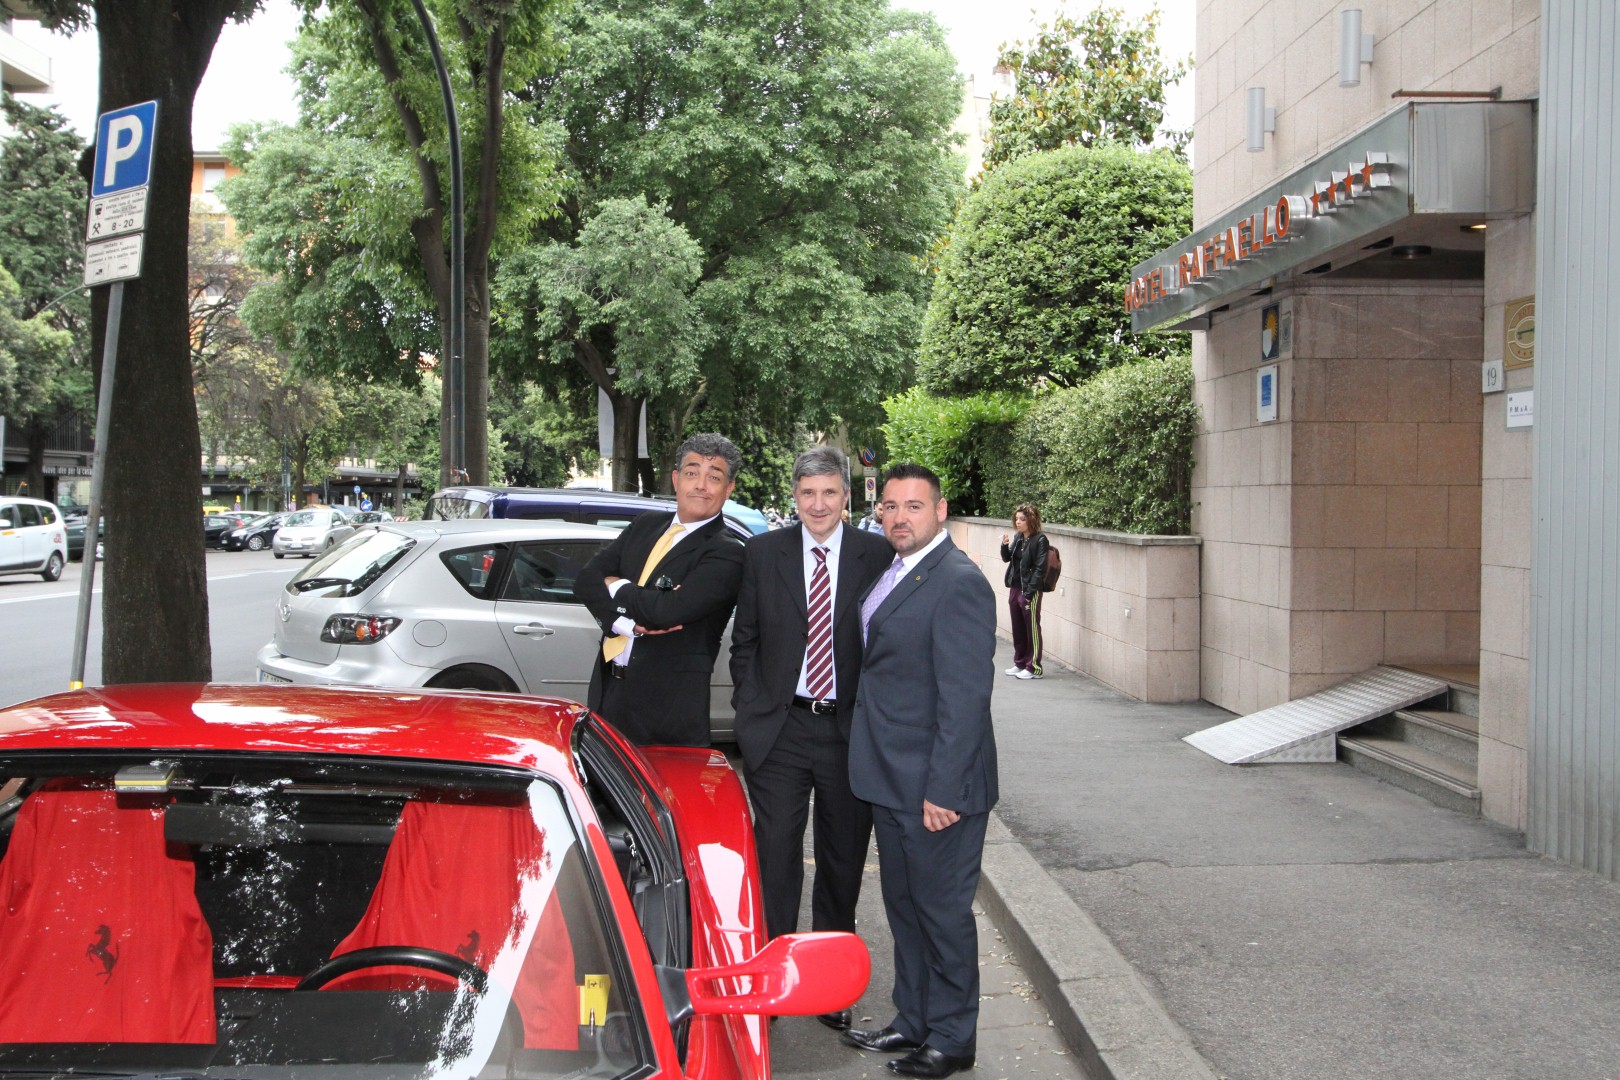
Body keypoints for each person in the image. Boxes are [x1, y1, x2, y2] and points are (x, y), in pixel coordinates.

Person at [843, 464, 997, 1080]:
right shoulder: (897, 568)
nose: (899, 517)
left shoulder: (958, 581)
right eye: (890, 506)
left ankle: (954, 1037)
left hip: (936, 787)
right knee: (904, 907)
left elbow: (965, 699)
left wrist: (944, 790)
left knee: (942, 913)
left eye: (913, 506)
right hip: (890, 776)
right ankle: (913, 1018)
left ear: (941, 512)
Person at [728, 446, 891, 1031]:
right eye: (807, 493)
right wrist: (750, 706)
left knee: (843, 862)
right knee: (775, 859)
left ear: (846, 497)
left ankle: (827, 985)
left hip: (850, 731)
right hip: (782, 728)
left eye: (829, 493)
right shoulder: (762, 552)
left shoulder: (877, 554)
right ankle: (773, 985)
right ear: (793, 496)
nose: (818, 505)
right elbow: (744, 639)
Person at [575, 433, 746, 747]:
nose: (701, 485)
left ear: (729, 488)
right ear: (676, 479)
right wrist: (619, 622)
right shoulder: (645, 524)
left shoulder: (727, 552)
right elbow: (586, 579)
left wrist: (618, 585)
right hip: (608, 693)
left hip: (666, 714)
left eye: (714, 477)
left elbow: (667, 612)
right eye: (692, 473)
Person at [999, 503, 1049, 680]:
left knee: (1031, 628)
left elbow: (1039, 568)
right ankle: (1020, 662)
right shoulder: (1019, 537)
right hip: (1015, 587)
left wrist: (1029, 593)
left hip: (1029, 590)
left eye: (1022, 519)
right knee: (1018, 627)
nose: (1018, 522)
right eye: (1017, 519)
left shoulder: (1040, 540)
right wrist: (1004, 545)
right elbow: (1007, 558)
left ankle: (1034, 666)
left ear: (1031, 520)